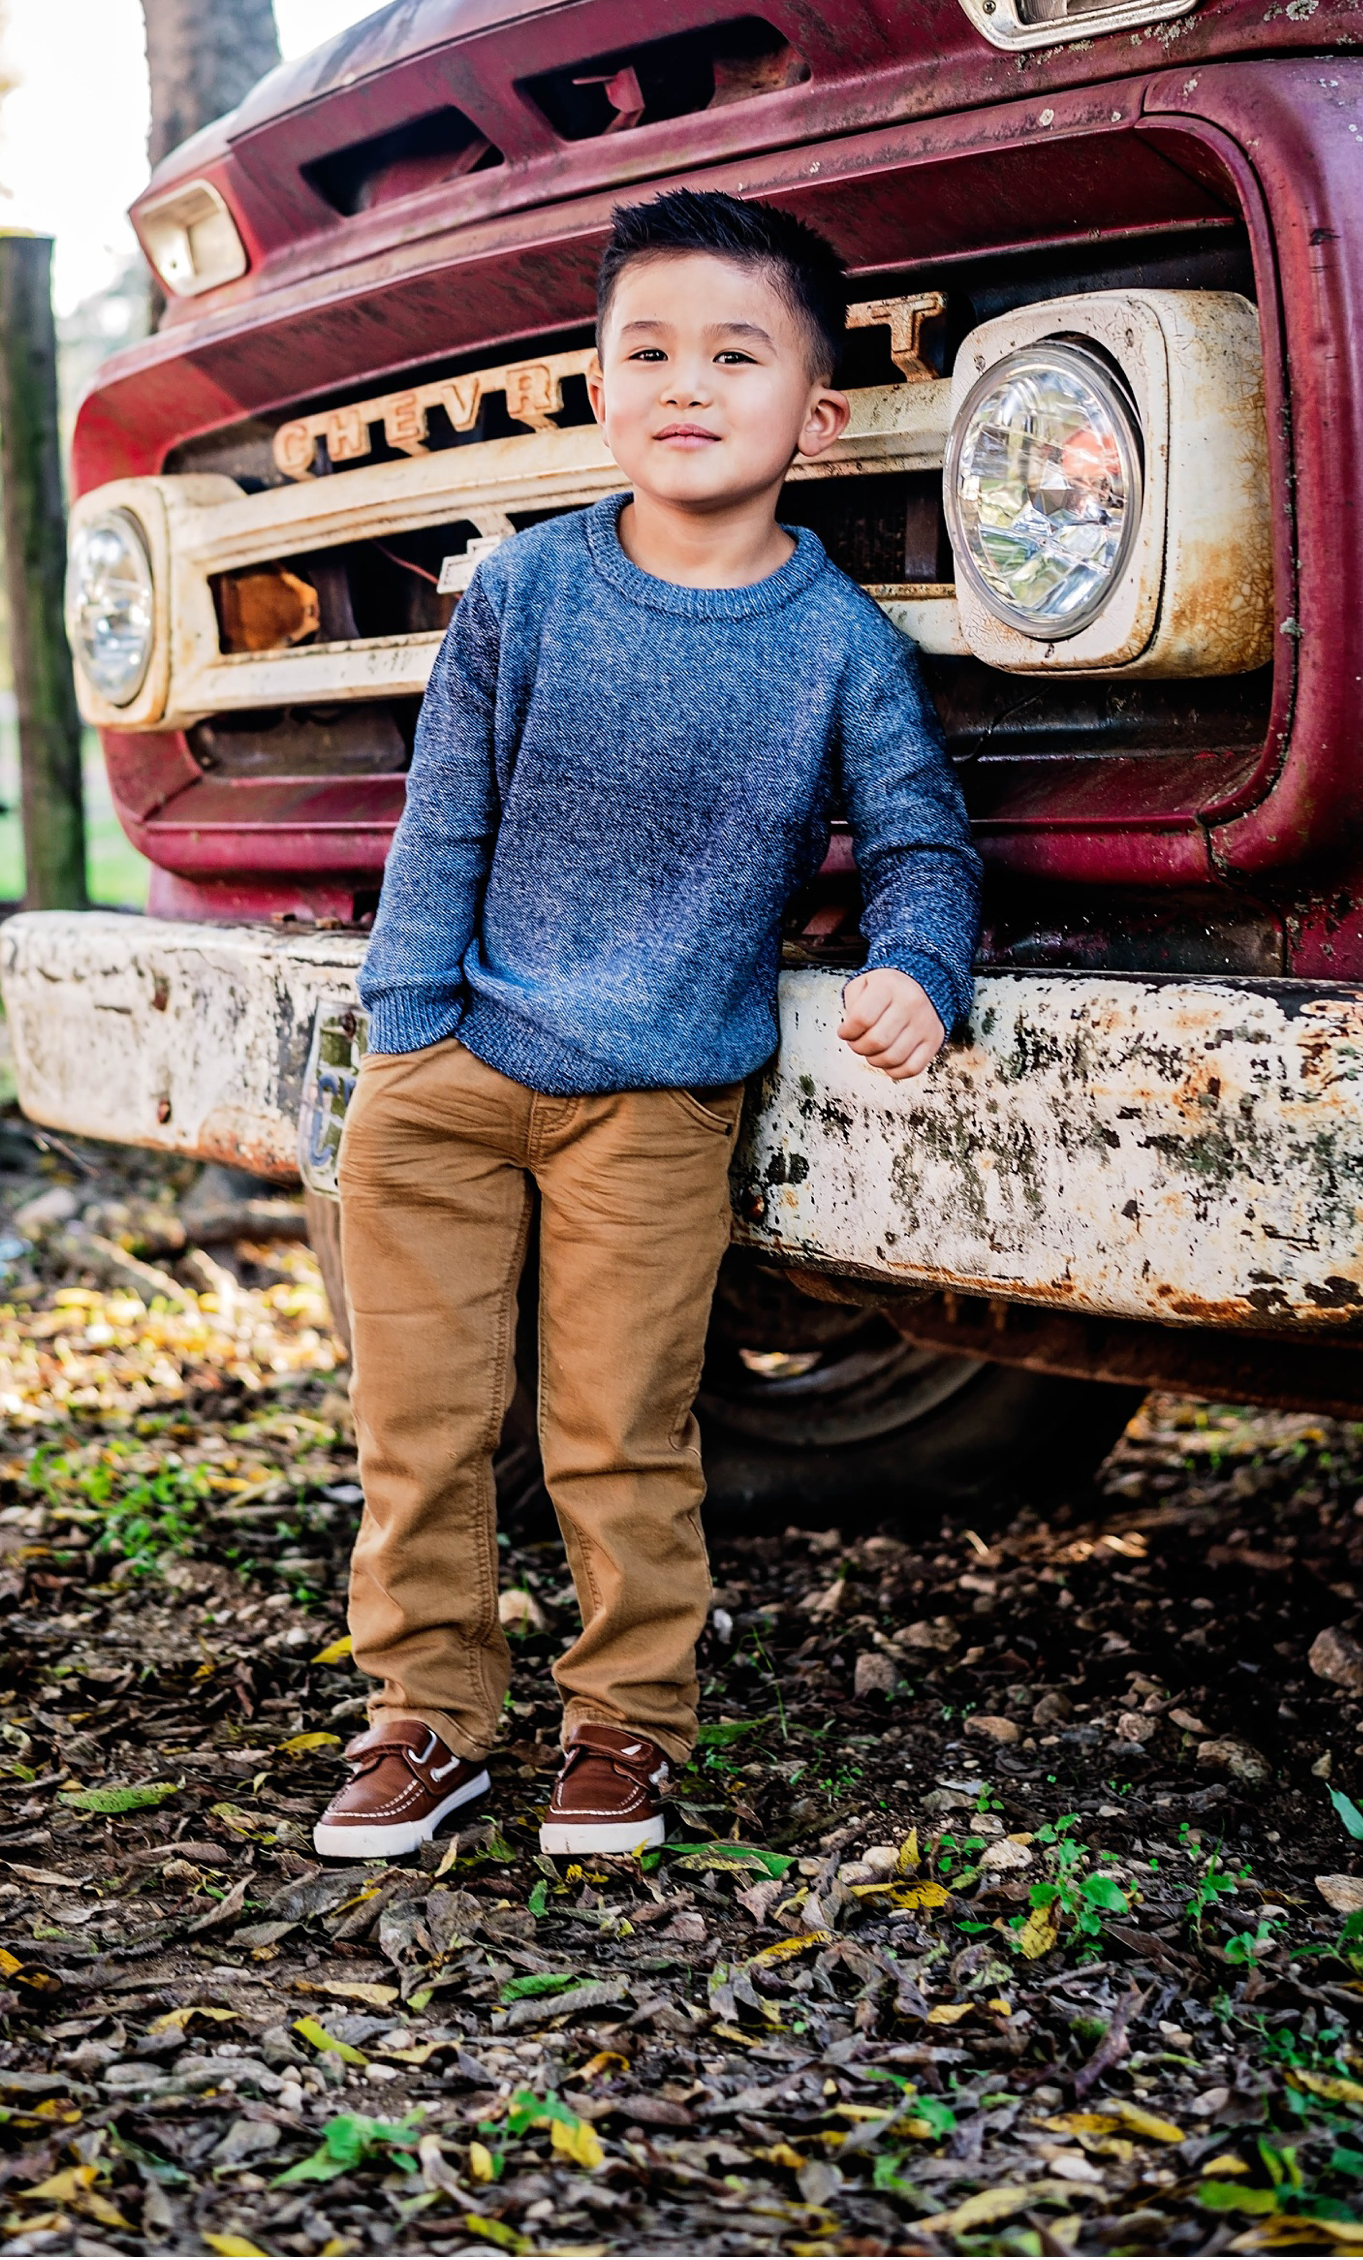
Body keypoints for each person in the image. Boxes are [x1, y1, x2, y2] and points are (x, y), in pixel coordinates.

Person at [312, 188, 981, 1862]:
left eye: (734, 355)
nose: (687, 384)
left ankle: (625, 1730)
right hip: (452, 1065)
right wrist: (406, 1036)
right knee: (423, 1422)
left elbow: (918, 836)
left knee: (618, 1433)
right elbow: (441, 818)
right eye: (648, 351)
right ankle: (426, 1721)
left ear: (815, 416)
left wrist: (921, 962)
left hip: (660, 1101)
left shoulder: (838, 649)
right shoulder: (525, 596)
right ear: (598, 387)